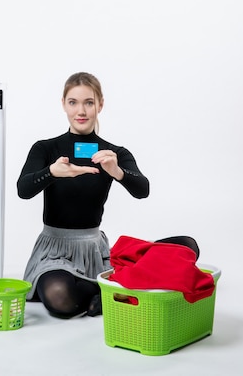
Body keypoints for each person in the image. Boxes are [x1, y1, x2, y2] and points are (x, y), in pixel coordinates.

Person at [17, 72, 199, 319]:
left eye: (88, 102)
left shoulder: (114, 153)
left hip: (95, 251)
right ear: (63, 104)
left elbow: (142, 190)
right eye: (73, 102)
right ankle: (112, 292)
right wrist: (51, 172)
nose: (81, 111)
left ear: (100, 104)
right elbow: (23, 189)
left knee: (187, 246)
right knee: (59, 296)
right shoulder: (45, 148)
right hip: (55, 252)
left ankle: (103, 291)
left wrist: (117, 172)